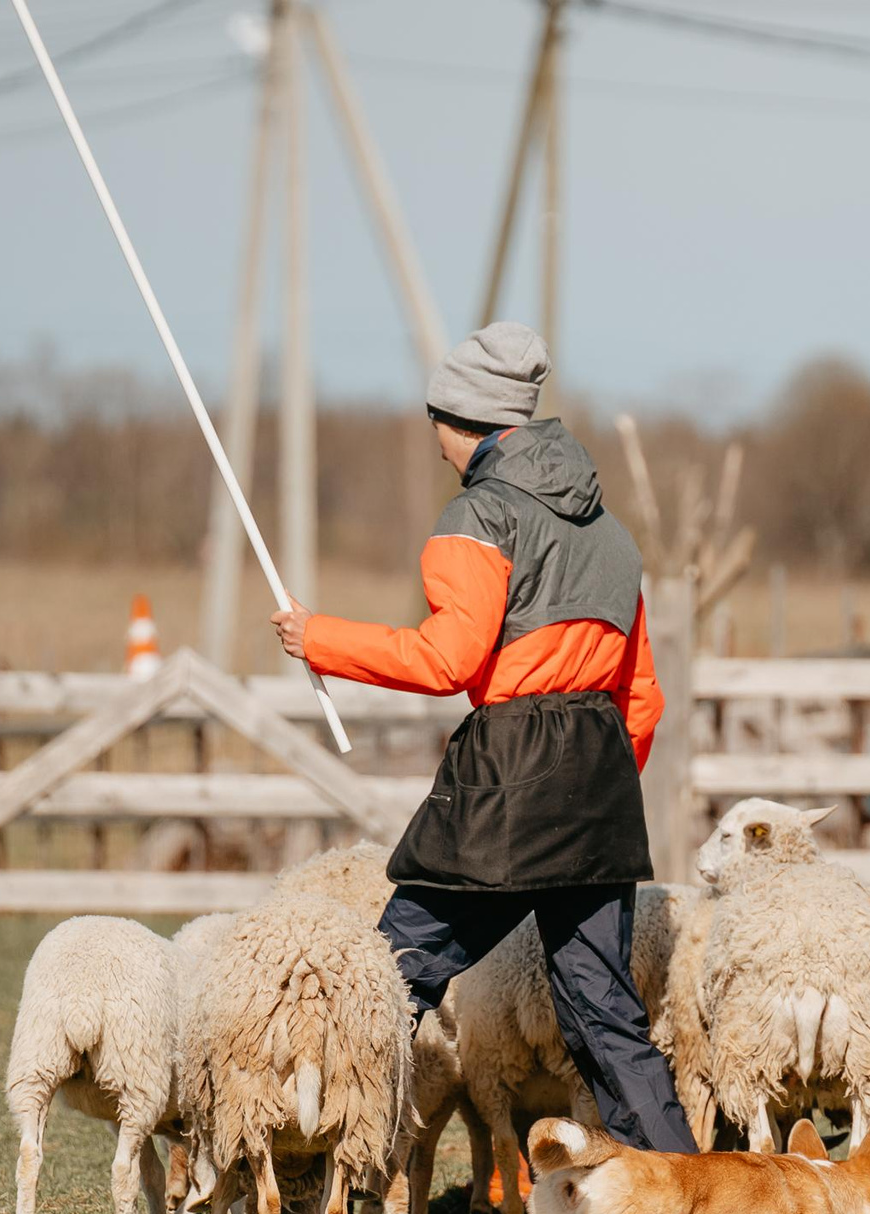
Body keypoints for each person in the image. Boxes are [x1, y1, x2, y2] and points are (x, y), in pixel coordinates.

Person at [271, 321, 698, 1156]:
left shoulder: (476, 516)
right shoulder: (611, 536)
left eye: (434, 419)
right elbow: (643, 695)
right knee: (606, 1015)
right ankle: (694, 1205)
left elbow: (447, 659)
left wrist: (320, 638)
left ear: (458, 418)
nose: (434, 440)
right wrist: (597, 781)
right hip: (599, 786)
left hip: (508, 781)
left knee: (389, 974)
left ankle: (317, 1168)